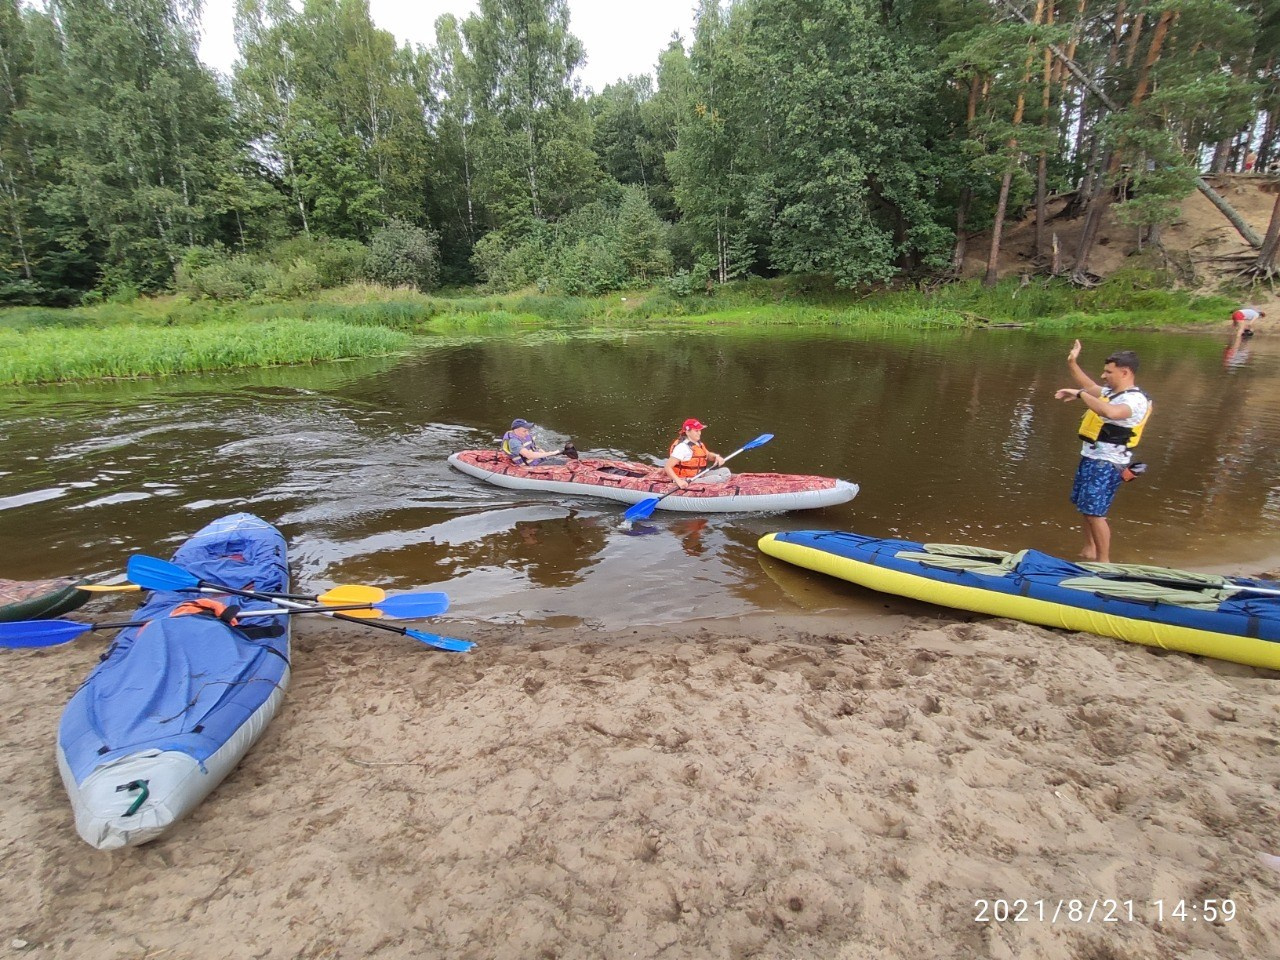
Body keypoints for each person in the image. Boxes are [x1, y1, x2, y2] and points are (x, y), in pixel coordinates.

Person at [1054, 341, 1152, 564]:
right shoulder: (1112, 392)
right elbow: (1089, 387)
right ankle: (1089, 549)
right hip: (1093, 457)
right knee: (1086, 508)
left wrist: (1080, 395)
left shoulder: (1134, 400)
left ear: (1125, 372)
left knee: (1095, 513)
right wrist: (1072, 362)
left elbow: (1109, 411)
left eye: (1109, 371)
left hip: (1108, 463)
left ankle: (1103, 562)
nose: (1104, 375)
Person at [664, 418, 728, 489]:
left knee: (726, 472)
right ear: (687, 432)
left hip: (699, 474)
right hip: (686, 479)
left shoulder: (698, 443)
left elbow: (708, 455)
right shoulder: (682, 447)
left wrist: (717, 457)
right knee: (718, 478)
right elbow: (667, 467)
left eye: (700, 430)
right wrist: (679, 481)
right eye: (696, 431)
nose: (699, 433)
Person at [501, 419, 566, 466]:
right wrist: (550, 453)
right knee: (561, 463)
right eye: (524, 431)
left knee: (562, 460)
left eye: (527, 430)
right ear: (516, 430)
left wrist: (545, 453)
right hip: (531, 465)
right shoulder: (514, 442)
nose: (527, 433)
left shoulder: (526, 435)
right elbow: (529, 455)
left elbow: (535, 448)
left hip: (538, 460)